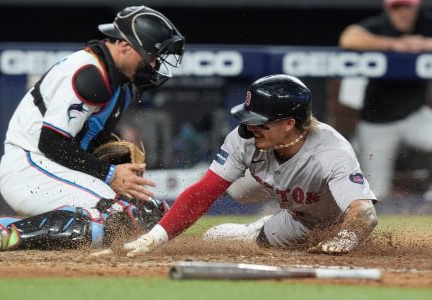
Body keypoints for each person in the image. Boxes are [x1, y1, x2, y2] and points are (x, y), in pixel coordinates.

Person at [0, 6, 184, 250]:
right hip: (28, 167)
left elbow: (86, 141)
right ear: (125, 46)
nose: (152, 64)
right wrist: (110, 174)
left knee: (150, 213)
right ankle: (12, 232)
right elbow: (51, 142)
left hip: (58, 168)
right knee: (116, 213)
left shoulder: (123, 84)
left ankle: (62, 218)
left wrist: (117, 167)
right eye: (150, 55)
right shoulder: (89, 73)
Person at [112, 74, 378, 256]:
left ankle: (262, 223)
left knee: (228, 232)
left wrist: (344, 238)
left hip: (325, 220)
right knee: (229, 206)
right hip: (292, 206)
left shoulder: (331, 150)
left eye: (259, 120)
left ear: (289, 123)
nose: (249, 127)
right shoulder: (245, 138)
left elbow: (364, 213)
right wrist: (155, 236)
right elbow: (203, 193)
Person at [338, 0, 432, 201]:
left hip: (414, 116)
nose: (403, 13)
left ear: (416, 8)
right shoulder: (379, 25)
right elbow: (348, 38)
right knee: (375, 193)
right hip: (377, 123)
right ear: (389, 9)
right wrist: (396, 45)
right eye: (397, 8)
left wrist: (424, 44)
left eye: (407, 7)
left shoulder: (424, 24)